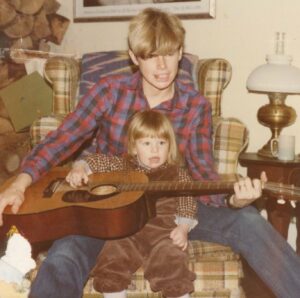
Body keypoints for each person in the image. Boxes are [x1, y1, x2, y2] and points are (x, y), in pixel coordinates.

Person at [0, 7, 297, 298]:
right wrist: (21, 181)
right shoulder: (110, 90)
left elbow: (203, 173)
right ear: (134, 57)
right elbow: (64, 138)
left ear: (180, 52)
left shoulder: (195, 107)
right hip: (106, 207)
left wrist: (233, 198)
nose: (162, 66)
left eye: (169, 53)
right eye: (151, 56)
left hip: (171, 203)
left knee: (249, 221)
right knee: (64, 256)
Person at [67, 110, 197, 297]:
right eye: (147, 143)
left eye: (161, 143)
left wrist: (183, 228)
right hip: (128, 232)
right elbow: (96, 161)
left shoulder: (176, 174)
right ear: (134, 148)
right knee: (112, 254)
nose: (155, 150)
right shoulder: (124, 165)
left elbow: (187, 201)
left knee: (172, 259)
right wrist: (79, 168)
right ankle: (114, 293)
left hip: (164, 234)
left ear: (170, 146)